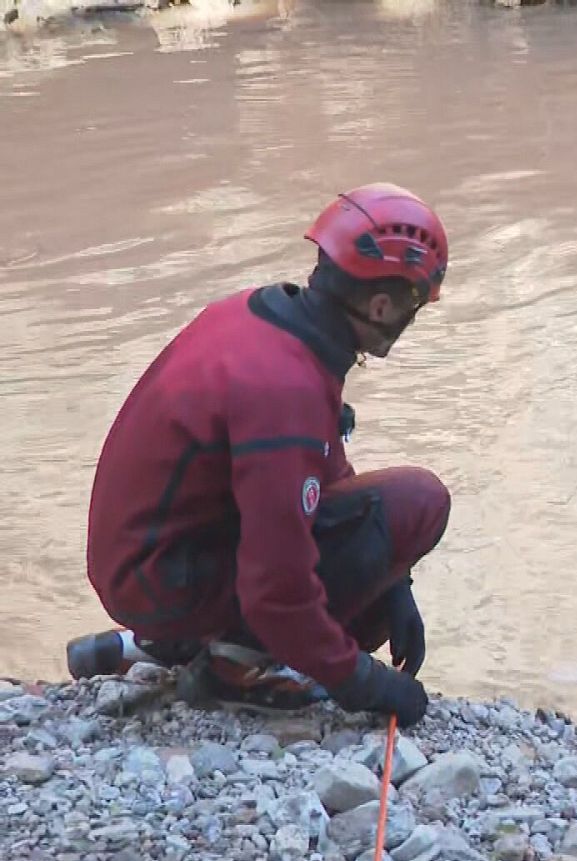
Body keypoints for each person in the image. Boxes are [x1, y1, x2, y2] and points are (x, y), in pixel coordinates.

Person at [68, 183, 452, 728]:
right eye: (415, 305)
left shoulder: (267, 320)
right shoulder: (284, 389)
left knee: (365, 600)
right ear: (382, 305)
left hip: (147, 560)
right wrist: (363, 683)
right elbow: (279, 591)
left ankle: (154, 647)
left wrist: (394, 582)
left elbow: (319, 473)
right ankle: (224, 673)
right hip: (159, 576)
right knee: (420, 503)